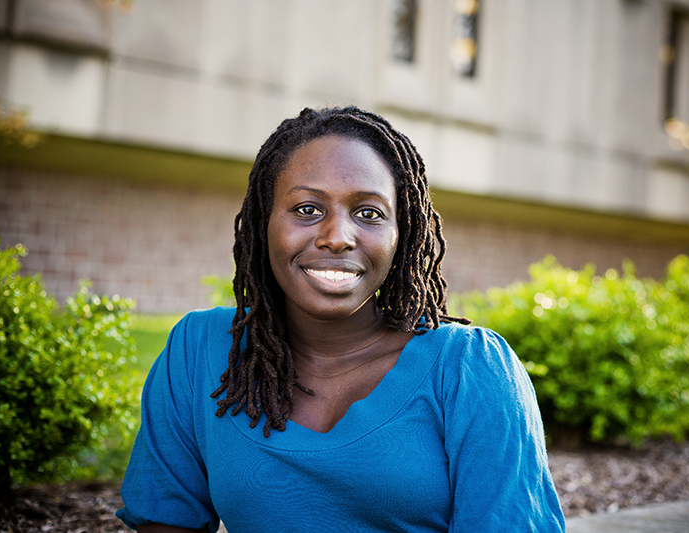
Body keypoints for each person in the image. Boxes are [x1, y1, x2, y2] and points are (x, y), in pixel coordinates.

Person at [116, 106, 565, 532]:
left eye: (368, 213)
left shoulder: (470, 369)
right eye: (308, 209)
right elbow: (166, 523)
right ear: (264, 221)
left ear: (400, 234)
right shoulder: (201, 350)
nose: (337, 237)